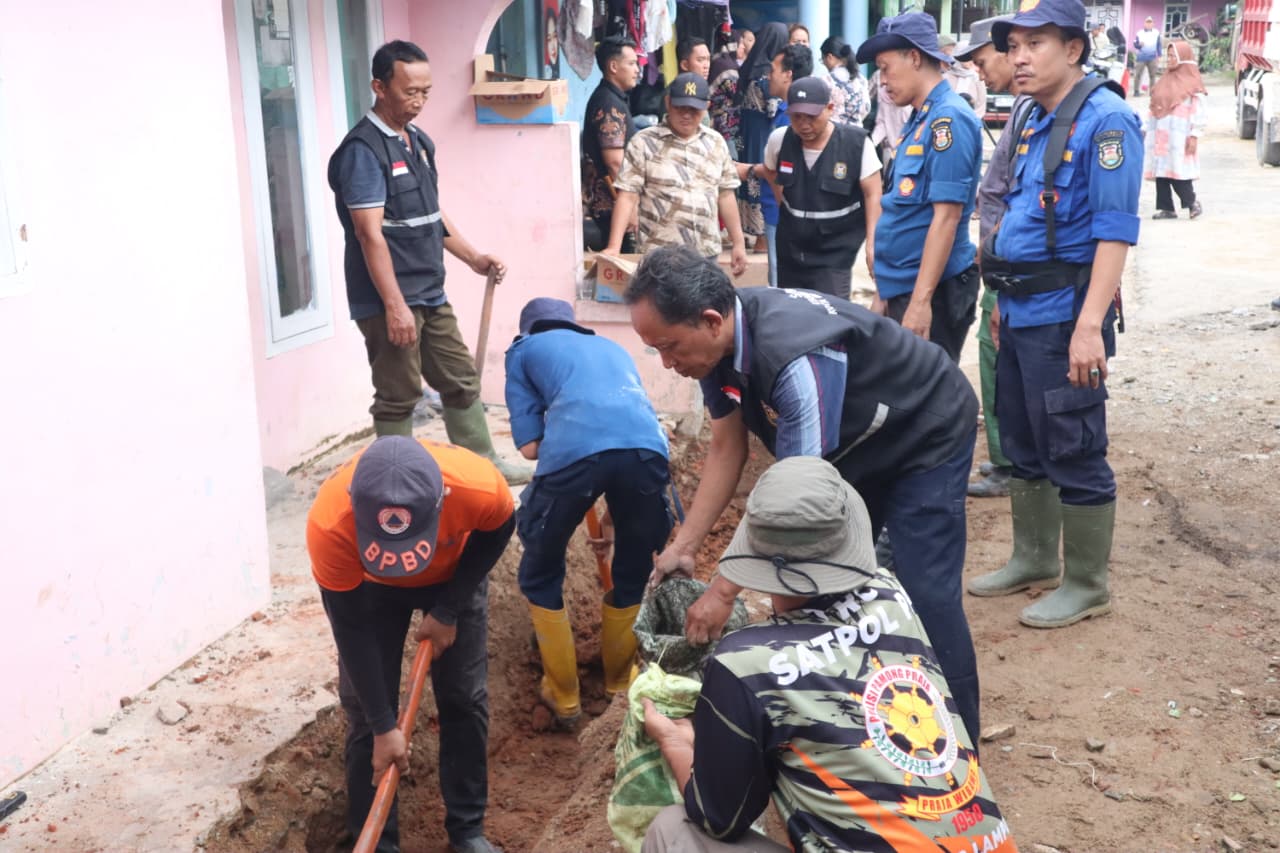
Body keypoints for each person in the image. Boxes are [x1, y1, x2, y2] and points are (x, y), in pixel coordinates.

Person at [625, 245, 983, 744]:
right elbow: (727, 448)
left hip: (923, 430)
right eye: (656, 350)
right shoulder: (715, 351)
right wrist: (684, 546)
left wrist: (723, 591)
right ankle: (847, 721)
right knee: (818, 583)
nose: (667, 363)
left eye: (669, 347)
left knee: (925, 591)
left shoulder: (793, 359)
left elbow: (793, 501)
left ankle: (959, 742)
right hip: (854, 443)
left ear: (710, 321)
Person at [640, 457, 1016, 853]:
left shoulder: (745, 664)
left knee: (671, 830)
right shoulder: (890, 592)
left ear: (754, 554)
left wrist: (676, 742)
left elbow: (718, 820)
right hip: (989, 844)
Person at [966, 0, 1141, 629]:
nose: (1018, 57)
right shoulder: (1033, 116)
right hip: (1019, 309)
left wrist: (1089, 327)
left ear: (1073, 49)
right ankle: (1034, 558)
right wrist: (1001, 304)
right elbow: (1014, 210)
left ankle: (1087, 583)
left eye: (1034, 44)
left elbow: (1114, 232)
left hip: (1065, 315)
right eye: (1012, 46)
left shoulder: (1107, 121)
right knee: (1019, 439)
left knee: (1073, 445)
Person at [326, 40, 528, 484]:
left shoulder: (417, 141)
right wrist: (394, 306)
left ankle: (483, 470)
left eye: (426, 92)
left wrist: (473, 257)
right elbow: (368, 233)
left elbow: (432, 214)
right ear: (379, 87)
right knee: (398, 393)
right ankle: (395, 482)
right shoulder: (362, 152)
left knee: (460, 379)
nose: (418, 101)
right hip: (388, 298)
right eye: (409, 92)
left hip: (429, 291)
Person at [307, 435, 515, 853]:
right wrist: (384, 726)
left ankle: (467, 830)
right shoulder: (330, 524)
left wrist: (449, 609)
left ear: (441, 501)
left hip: (453, 577)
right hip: (371, 590)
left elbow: (498, 531)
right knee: (365, 714)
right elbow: (351, 627)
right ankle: (378, 844)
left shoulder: (477, 486)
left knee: (464, 698)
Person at [504, 298, 672, 728]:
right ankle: (618, 684)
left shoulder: (523, 350)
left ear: (529, 329)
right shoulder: (612, 348)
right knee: (633, 569)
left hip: (575, 457)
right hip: (648, 452)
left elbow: (530, 448)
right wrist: (610, 517)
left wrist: (566, 428)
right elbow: (623, 439)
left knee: (540, 571)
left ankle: (563, 697)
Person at [857, 13, 983, 365]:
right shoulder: (919, 119)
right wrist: (885, 291)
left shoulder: (948, 120)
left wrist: (920, 302)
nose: (883, 81)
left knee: (925, 392)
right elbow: (904, 211)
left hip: (931, 293)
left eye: (886, 68)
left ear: (914, 57)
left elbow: (946, 218)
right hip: (904, 287)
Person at [957, 15, 1025, 498]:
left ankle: (1013, 463)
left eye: (982, 62)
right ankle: (1007, 457)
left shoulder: (1032, 110)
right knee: (993, 361)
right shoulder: (1023, 109)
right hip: (999, 264)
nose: (979, 73)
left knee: (1002, 363)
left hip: (1012, 270)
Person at [740, 76, 882, 299]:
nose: (804, 124)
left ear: (830, 109)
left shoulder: (856, 144)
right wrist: (785, 204)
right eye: (797, 117)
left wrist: (872, 243)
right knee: (794, 310)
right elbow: (770, 171)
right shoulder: (780, 140)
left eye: (812, 117)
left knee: (832, 311)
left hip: (837, 253)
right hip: (792, 251)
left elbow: (873, 193)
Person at [605, 73, 747, 275]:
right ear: (668, 103)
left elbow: (726, 195)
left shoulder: (716, 142)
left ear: (706, 107)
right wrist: (614, 246)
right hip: (659, 256)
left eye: (693, 109)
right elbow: (627, 196)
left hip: (706, 254)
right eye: (680, 107)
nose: (686, 115)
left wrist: (739, 243)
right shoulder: (643, 142)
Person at [735, 24, 790, 254]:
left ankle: (758, 236)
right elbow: (773, 109)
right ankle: (763, 239)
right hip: (763, 135)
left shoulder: (750, 68)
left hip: (747, 134)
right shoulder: (769, 73)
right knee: (763, 176)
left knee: (750, 181)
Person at [582, 36, 641, 252]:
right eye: (631, 63)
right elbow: (615, 163)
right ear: (613, 67)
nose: (637, 70)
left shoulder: (614, 98)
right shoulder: (608, 103)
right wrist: (630, 207)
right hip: (612, 206)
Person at [1145, 40, 1207, 220]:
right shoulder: (1164, 80)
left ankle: (1192, 203)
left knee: (1179, 171)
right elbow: (1154, 106)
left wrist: (1195, 135)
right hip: (1161, 134)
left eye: (1174, 56)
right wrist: (1145, 128)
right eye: (1169, 56)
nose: (1170, 59)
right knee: (1161, 172)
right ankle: (1167, 208)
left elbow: (1199, 112)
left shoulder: (1193, 84)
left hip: (1180, 136)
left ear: (1183, 57)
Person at [819, 35, 872, 125]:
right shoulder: (861, 80)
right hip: (858, 131)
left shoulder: (826, 80)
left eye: (822, 60)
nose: (823, 64)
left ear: (829, 57)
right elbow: (866, 109)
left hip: (834, 131)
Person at [869, 67, 912, 163]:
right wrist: (871, 144)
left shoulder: (910, 98)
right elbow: (882, 123)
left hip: (909, 150)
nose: (883, 81)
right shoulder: (878, 78)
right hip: (889, 149)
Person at [940, 33, 989, 114]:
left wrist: (972, 118)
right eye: (965, 57)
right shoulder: (945, 77)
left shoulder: (977, 78)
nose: (970, 61)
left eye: (971, 57)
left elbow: (981, 104)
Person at [1132, 16, 1162, 96]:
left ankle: (1152, 92)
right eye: (1147, 22)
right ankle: (1136, 91)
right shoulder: (1139, 33)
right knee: (1138, 74)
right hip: (1141, 57)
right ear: (1144, 24)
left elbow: (1159, 44)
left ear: (1153, 24)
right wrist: (1139, 45)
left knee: (1153, 75)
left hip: (1152, 57)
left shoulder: (1156, 33)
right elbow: (1135, 44)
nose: (1149, 24)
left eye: (1150, 22)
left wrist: (1159, 55)